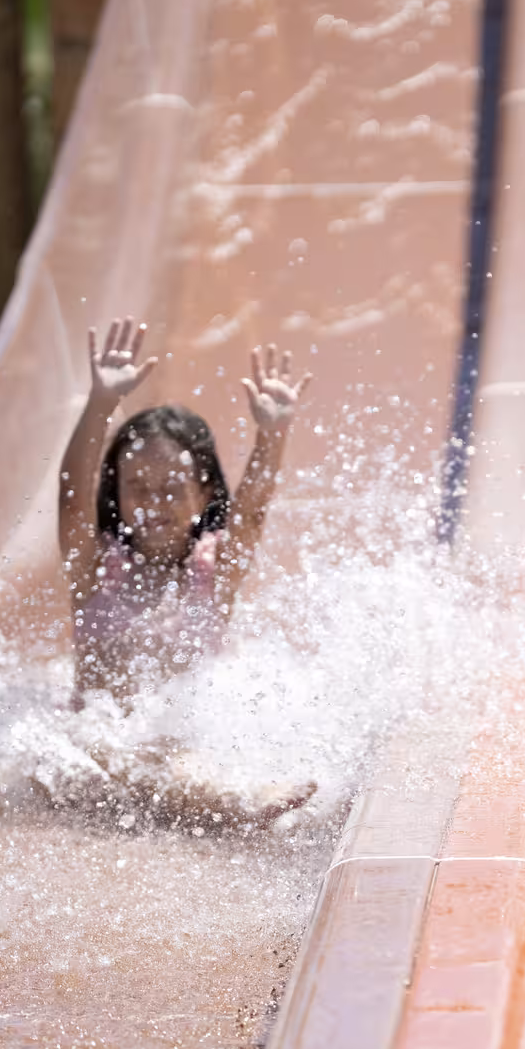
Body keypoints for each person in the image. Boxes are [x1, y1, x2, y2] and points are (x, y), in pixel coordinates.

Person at [50, 317, 314, 825]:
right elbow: (68, 496)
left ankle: (223, 795)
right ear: (116, 495)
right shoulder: (94, 570)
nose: (154, 502)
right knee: (116, 756)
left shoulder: (214, 572)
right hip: (98, 756)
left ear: (206, 494)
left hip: (180, 752)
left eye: (172, 488)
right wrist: (100, 404)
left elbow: (253, 512)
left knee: (175, 756)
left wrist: (271, 435)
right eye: (137, 487)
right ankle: (236, 803)